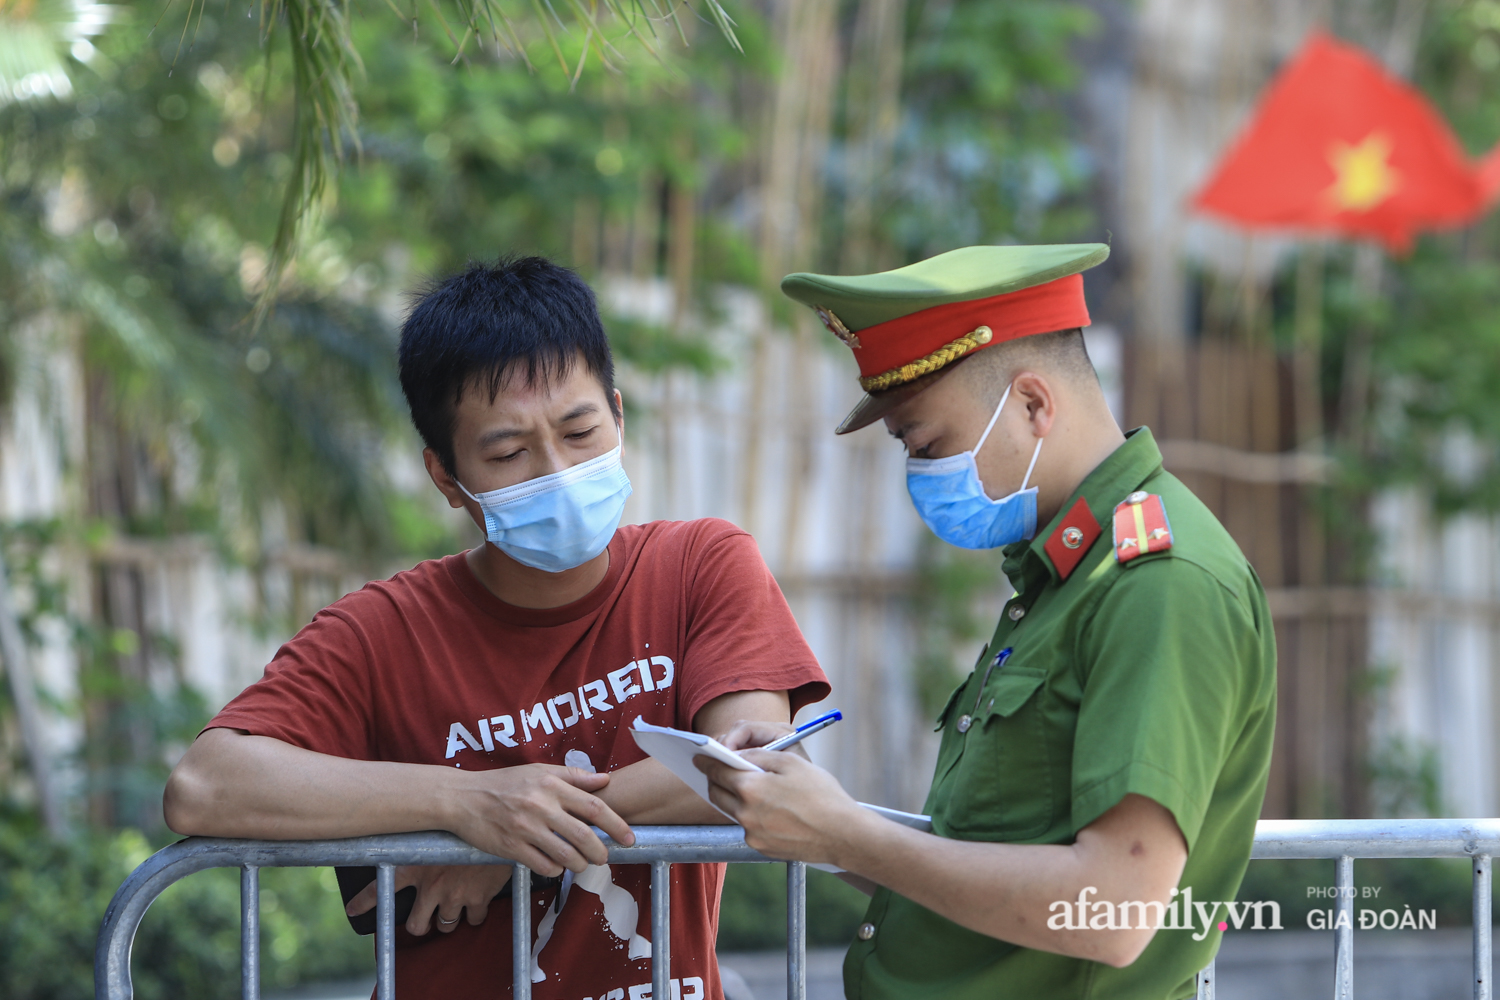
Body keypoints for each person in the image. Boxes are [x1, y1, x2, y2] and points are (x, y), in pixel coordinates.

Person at [164, 256, 830, 1000]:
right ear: (446, 477)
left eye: (579, 431)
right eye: (509, 453)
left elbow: (750, 768)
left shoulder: (700, 565)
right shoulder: (382, 632)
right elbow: (204, 786)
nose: (557, 469)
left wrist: (506, 841)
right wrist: (464, 807)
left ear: (618, 413)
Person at [697, 244, 1276, 1000]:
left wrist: (845, 833)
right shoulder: (1064, 577)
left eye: (927, 445)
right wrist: (813, 810)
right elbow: (992, 858)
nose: (919, 475)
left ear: (1034, 405)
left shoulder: (1158, 584)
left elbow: (1114, 909)